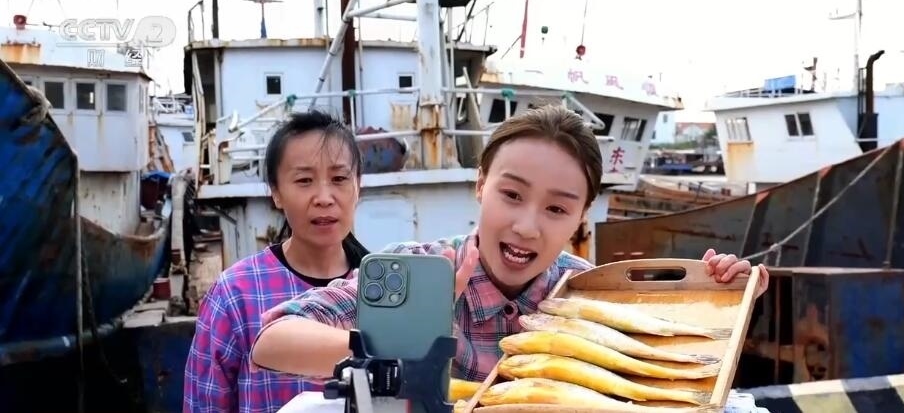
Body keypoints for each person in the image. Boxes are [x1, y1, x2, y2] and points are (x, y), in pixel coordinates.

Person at [249, 104, 770, 382]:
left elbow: (674, 367)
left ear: (582, 215)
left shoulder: (588, 292)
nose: (526, 226)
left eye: (557, 209)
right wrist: (395, 338)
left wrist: (723, 296)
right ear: (481, 185)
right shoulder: (418, 272)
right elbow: (271, 342)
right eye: (512, 195)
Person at [182, 110, 371, 412]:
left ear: (358, 185)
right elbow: (204, 404)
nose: (324, 197)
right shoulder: (234, 294)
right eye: (304, 180)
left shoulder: (381, 289)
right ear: (276, 192)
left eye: (339, 178)